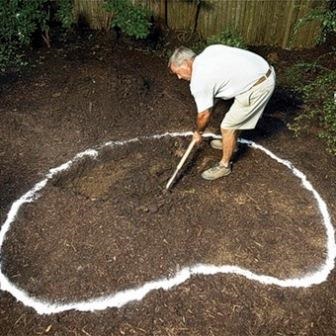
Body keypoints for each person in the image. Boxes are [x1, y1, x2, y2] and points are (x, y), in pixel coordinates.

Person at [168, 45, 276, 180]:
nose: (178, 77)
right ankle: (230, 142)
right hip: (262, 70)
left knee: (228, 126)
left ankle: (224, 166)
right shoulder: (208, 51)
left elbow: (204, 114)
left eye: (178, 72)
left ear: (186, 63)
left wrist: (198, 132)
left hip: (259, 85)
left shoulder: (199, 80)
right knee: (234, 118)